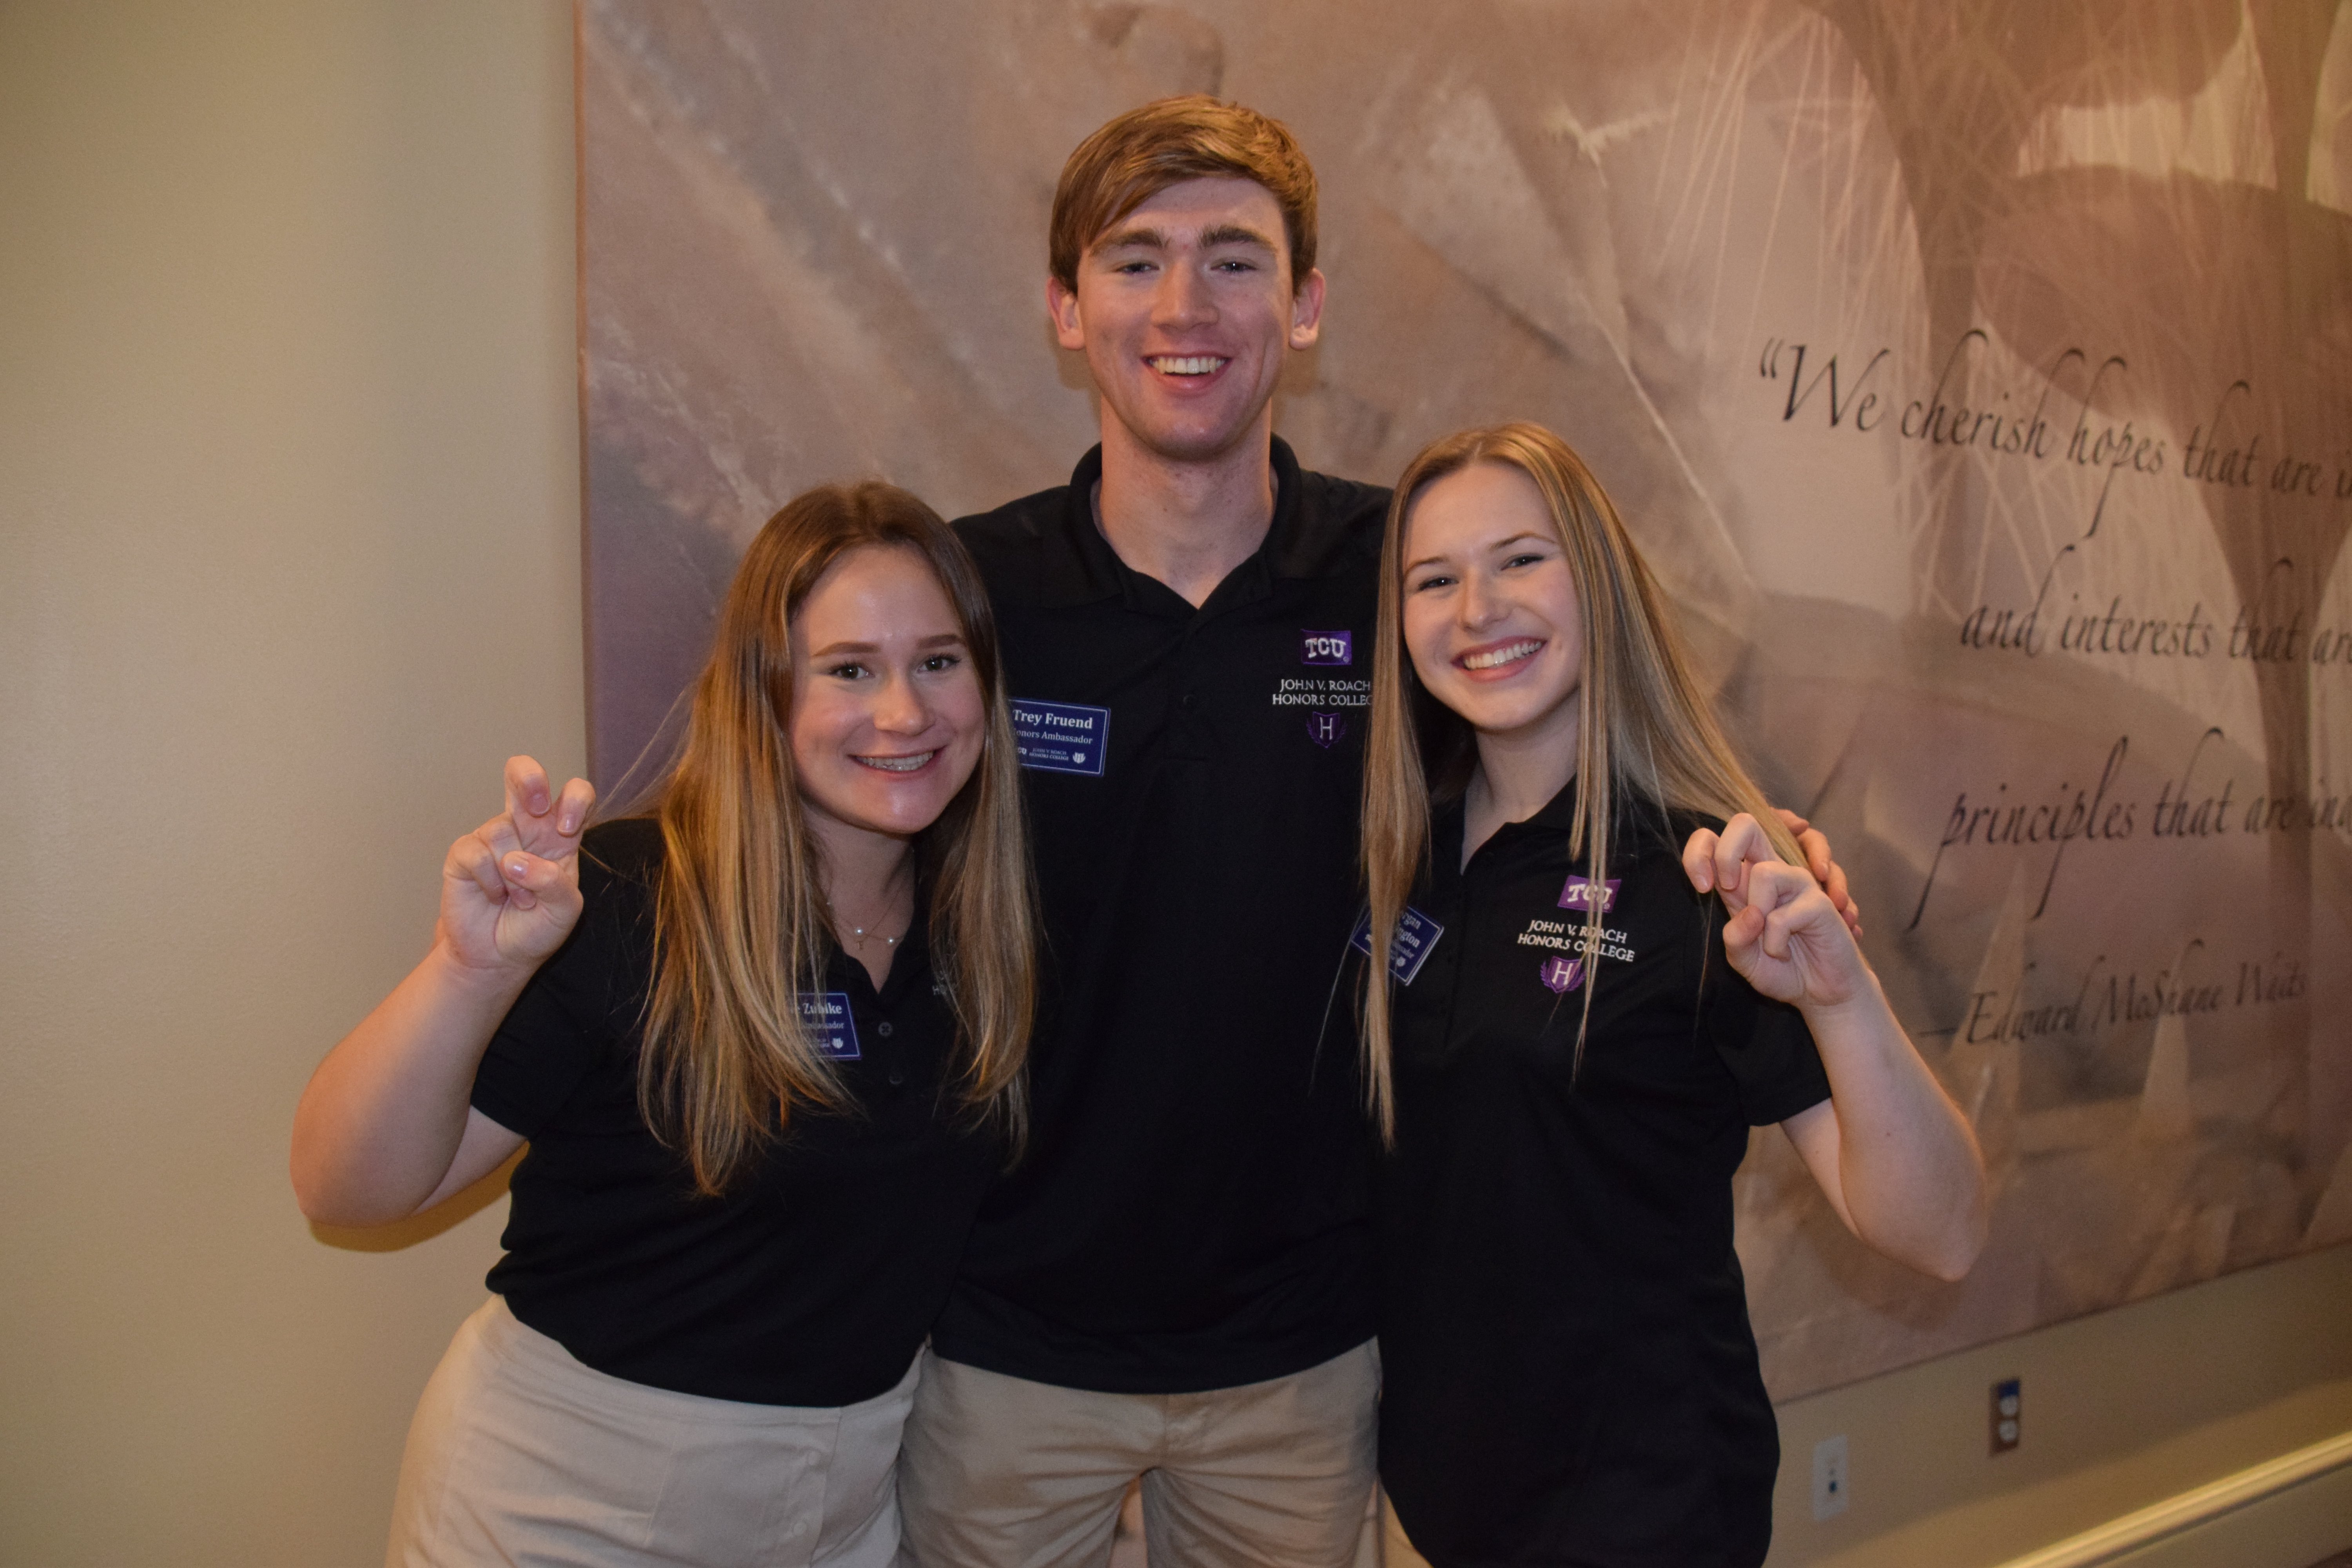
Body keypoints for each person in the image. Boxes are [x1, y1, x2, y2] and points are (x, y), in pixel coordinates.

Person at [900, 99, 1861, 1567]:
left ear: (1306, 304)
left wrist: (1747, 830)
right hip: (1009, 1349)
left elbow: (1591, 719)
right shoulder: (973, 596)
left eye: (1235, 259)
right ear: (1064, 305)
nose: (1185, 306)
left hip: (1309, 1359)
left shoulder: (1402, 579)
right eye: (1135, 258)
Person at [289, 482, 1035, 1568]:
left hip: (850, 1503)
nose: (904, 714)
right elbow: (346, 1188)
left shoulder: (982, 927)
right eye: (847, 670)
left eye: (937, 661)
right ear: (764, 693)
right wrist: (465, 973)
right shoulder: (633, 897)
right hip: (575, 1503)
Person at [1357, 423, 1989, 1567]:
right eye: (1434, 579)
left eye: (1522, 560)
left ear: (1601, 585)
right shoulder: (1397, 854)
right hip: (1435, 1502)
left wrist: (1844, 1003)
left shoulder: (1711, 876)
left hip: (1641, 1509)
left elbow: (1940, 1236)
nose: (1476, 609)